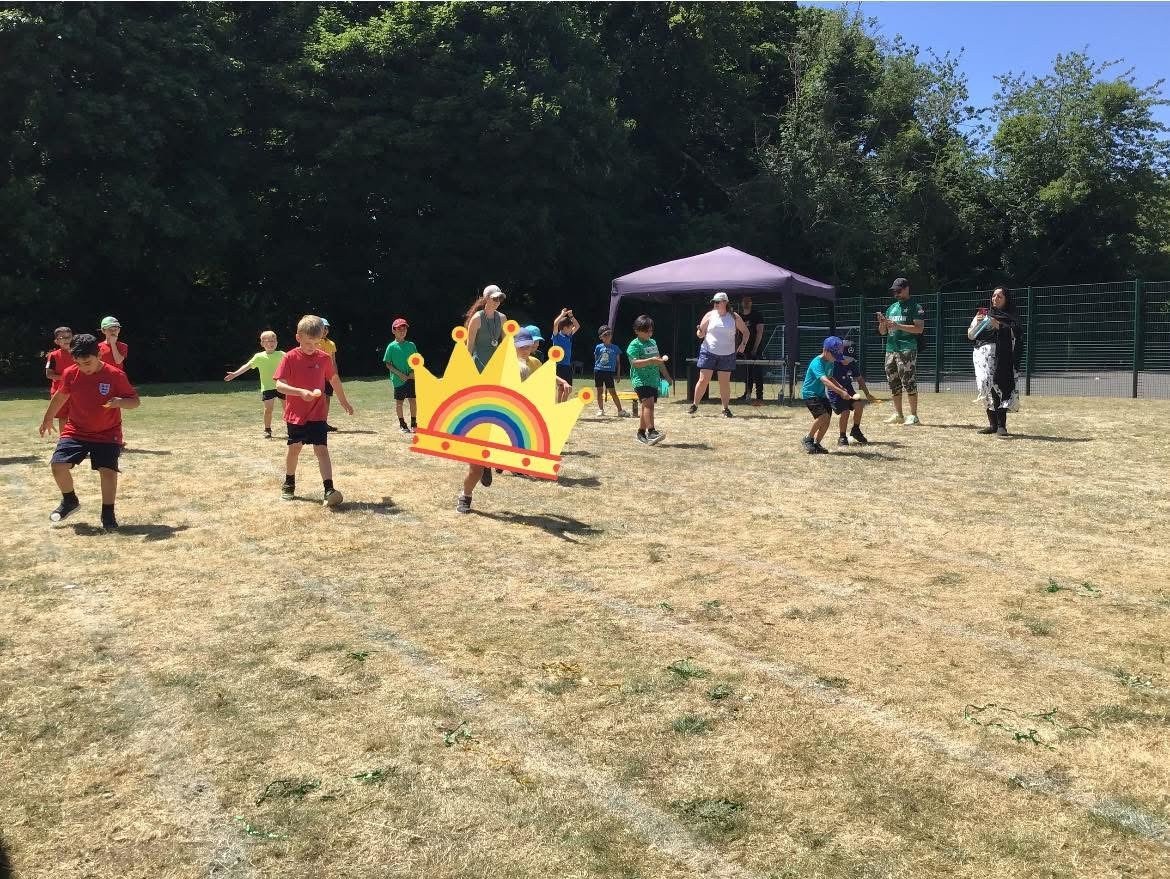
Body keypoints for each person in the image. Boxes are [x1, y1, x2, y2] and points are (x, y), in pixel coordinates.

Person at [38, 333, 139, 530]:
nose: (84, 368)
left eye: (88, 363)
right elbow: (60, 397)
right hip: (76, 430)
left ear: (99, 354)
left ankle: (108, 514)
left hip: (107, 432)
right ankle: (70, 501)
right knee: (58, 466)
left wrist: (120, 402)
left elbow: (135, 402)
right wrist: (48, 417)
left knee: (107, 472)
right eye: (79, 363)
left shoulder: (115, 375)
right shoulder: (70, 373)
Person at [457, 328, 542, 513]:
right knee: (475, 470)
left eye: (529, 345)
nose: (526, 349)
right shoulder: (501, 363)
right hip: (487, 416)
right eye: (522, 346)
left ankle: (493, 461)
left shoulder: (534, 363)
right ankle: (465, 496)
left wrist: (558, 383)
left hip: (511, 419)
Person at [273, 315, 354, 505]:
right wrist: (300, 392)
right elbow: (279, 386)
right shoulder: (290, 357)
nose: (313, 347)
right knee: (295, 448)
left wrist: (344, 401)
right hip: (296, 414)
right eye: (309, 343)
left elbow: (333, 380)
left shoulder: (324, 358)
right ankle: (289, 483)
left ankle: (329, 489)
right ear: (298, 337)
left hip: (318, 413)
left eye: (316, 343)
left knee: (322, 450)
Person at [968, 286, 1022, 436]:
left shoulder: (1010, 316)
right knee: (984, 386)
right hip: (981, 356)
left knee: (999, 386)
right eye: (993, 296)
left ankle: (1001, 426)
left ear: (1006, 300)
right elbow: (971, 336)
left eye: (1000, 296)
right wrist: (978, 324)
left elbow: (1015, 333)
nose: (995, 299)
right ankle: (992, 424)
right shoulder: (983, 315)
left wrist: (997, 324)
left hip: (1001, 356)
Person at [688, 291, 748, 417]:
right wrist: (700, 332)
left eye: (717, 302)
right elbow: (700, 334)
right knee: (703, 379)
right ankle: (695, 405)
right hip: (708, 351)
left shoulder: (734, 317)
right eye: (714, 302)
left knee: (724, 382)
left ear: (725, 302)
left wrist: (743, 345)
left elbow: (746, 332)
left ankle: (725, 409)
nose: (715, 304)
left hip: (727, 354)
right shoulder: (709, 315)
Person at [877, 278, 925, 425]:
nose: (896, 294)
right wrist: (882, 324)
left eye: (898, 291)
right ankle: (898, 414)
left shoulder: (915, 307)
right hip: (890, 349)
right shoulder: (891, 308)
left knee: (908, 381)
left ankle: (914, 416)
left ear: (906, 288)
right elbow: (882, 332)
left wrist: (898, 325)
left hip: (907, 348)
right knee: (893, 383)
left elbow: (919, 329)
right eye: (894, 291)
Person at [224, 330, 285, 437]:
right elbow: (247, 366)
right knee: (268, 410)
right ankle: (267, 430)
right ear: (262, 343)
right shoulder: (259, 357)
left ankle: (292, 429)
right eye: (268, 341)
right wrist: (235, 374)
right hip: (267, 387)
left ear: (277, 342)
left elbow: (294, 365)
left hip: (283, 386)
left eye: (273, 341)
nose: (271, 343)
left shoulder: (282, 354)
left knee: (288, 409)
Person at [800, 336, 855, 454]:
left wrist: (841, 387)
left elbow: (830, 377)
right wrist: (840, 392)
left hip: (821, 395)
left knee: (827, 420)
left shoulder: (830, 362)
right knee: (823, 416)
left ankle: (817, 444)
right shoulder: (817, 363)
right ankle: (808, 438)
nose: (835, 359)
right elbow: (825, 381)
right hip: (810, 394)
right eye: (834, 356)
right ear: (825, 351)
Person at [626, 315, 669, 445]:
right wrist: (650, 360)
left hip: (653, 380)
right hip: (640, 380)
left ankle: (640, 433)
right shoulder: (634, 345)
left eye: (650, 330)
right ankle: (651, 432)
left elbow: (659, 361)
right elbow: (634, 363)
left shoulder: (653, 342)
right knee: (649, 404)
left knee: (647, 406)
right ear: (637, 330)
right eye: (646, 331)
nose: (649, 333)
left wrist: (667, 376)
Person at [827, 341, 876, 445]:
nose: (847, 361)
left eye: (850, 358)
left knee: (859, 405)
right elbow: (829, 379)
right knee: (845, 412)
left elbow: (859, 378)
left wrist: (867, 393)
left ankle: (856, 430)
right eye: (845, 358)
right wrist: (840, 390)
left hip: (848, 389)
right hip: (835, 391)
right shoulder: (833, 363)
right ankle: (842, 437)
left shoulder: (852, 363)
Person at [383, 317, 419, 434]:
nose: (402, 331)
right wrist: (399, 374)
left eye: (404, 328)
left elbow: (416, 360)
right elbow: (388, 364)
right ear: (393, 331)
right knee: (399, 402)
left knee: (413, 400)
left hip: (411, 378)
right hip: (398, 380)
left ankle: (414, 424)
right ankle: (403, 424)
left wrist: (413, 371)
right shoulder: (391, 347)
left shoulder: (411, 345)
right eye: (399, 329)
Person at [465, 285, 507, 371]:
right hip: (478, 364)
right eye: (495, 298)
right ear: (487, 298)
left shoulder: (503, 318)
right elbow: (469, 346)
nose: (498, 301)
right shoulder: (476, 318)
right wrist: (466, 367)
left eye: (500, 298)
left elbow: (506, 343)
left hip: (496, 364)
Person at [44, 326, 75, 434]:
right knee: (63, 417)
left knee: (78, 416)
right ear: (57, 341)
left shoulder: (78, 353)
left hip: (77, 391)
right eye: (63, 337)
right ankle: (64, 439)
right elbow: (49, 374)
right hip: (60, 391)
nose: (66, 339)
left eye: (69, 337)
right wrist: (66, 377)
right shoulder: (53, 356)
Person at [736, 296, 766, 406]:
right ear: (742, 303)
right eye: (744, 301)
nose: (746, 303)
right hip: (743, 348)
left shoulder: (757, 315)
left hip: (755, 348)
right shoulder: (739, 316)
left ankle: (759, 396)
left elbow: (760, 332)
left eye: (748, 301)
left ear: (751, 303)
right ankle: (747, 393)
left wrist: (755, 348)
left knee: (757, 371)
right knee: (747, 372)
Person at [592, 325, 628, 417]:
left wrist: (618, 374)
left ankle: (620, 410)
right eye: (605, 334)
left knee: (613, 392)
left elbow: (618, 363)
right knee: (599, 391)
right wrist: (595, 370)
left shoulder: (615, 348)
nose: (608, 336)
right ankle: (600, 409)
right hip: (598, 371)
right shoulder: (598, 347)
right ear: (601, 337)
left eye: (609, 334)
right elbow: (596, 359)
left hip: (609, 372)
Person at [550, 308, 580, 402]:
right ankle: (560, 407)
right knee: (562, 388)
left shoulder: (569, 335)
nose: (572, 329)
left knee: (567, 388)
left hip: (567, 366)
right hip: (559, 366)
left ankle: (561, 406)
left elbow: (577, 326)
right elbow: (555, 323)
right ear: (564, 328)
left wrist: (571, 316)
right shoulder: (556, 336)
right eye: (570, 328)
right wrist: (562, 314)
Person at [318, 318, 339, 431]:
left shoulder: (331, 344)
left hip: (328, 376)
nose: (325, 330)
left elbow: (333, 361)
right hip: (317, 376)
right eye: (322, 328)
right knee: (317, 399)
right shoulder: (314, 342)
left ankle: (324, 422)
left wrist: (334, 375)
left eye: (326, 328)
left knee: (327, 399)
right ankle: (315, 422)